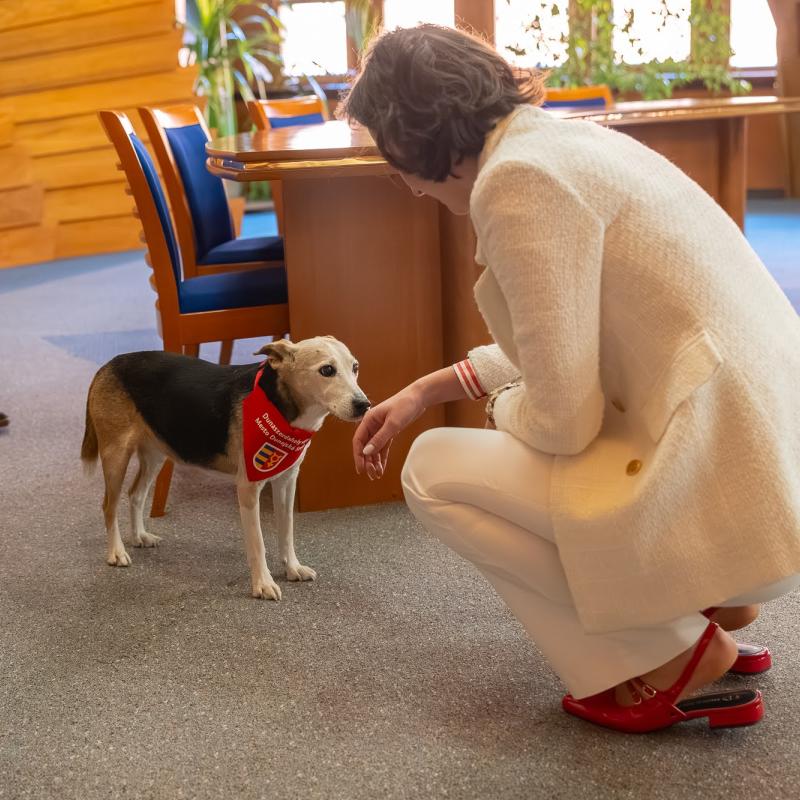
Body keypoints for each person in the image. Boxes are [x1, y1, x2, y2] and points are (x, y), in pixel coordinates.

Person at [343, 25, 800, 733]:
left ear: (409, 139)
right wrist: (428, 390)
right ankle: (704, 598)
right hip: (758, 463)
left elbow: (562, 416)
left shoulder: (516, 184)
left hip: (712, 476)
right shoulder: (559, 143)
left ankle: (674, 651)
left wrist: (500, 408)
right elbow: (569, 340)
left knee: (431, 469)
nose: (400, 183)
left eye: (388, 155)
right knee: (485, 439)